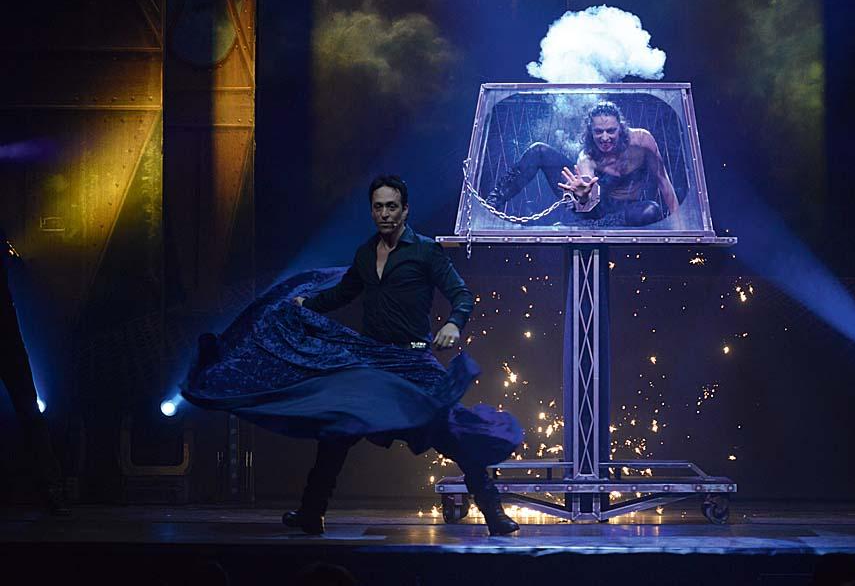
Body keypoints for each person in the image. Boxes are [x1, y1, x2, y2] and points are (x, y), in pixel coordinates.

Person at [183, 176, 521, 535]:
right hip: (372, 360)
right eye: (378, 207)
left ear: (405, 210)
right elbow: (341, 294)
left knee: (449, 431)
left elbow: (461, 294)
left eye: (392, 207)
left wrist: (453, 323)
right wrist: (304, 305)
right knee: (338, 430)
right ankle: (311, 512)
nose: (385, 213)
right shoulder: (365, 254)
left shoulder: (426, 252)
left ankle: (493, 512)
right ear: (372, 211)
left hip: (414, 361)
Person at [486, 101, 680, 227]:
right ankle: (490, 207)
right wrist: (583, 195)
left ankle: (588, 227)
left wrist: (680, 224)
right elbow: (587, 206)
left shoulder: (642, 140)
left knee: (651, 210)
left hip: (624, 211)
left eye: (611, 131)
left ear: (621, 128)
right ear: (590, 132)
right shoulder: (586, 157)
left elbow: (663, 180)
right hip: (591, 206)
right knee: (539, 151)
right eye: (598, 132)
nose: (605, 137)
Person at [0, 227, 68, 515]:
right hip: (7, 334)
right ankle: (50, 489)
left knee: (29, 410)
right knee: (29, 410)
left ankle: (50, 487)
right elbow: (19, 270)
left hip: (7, 334)